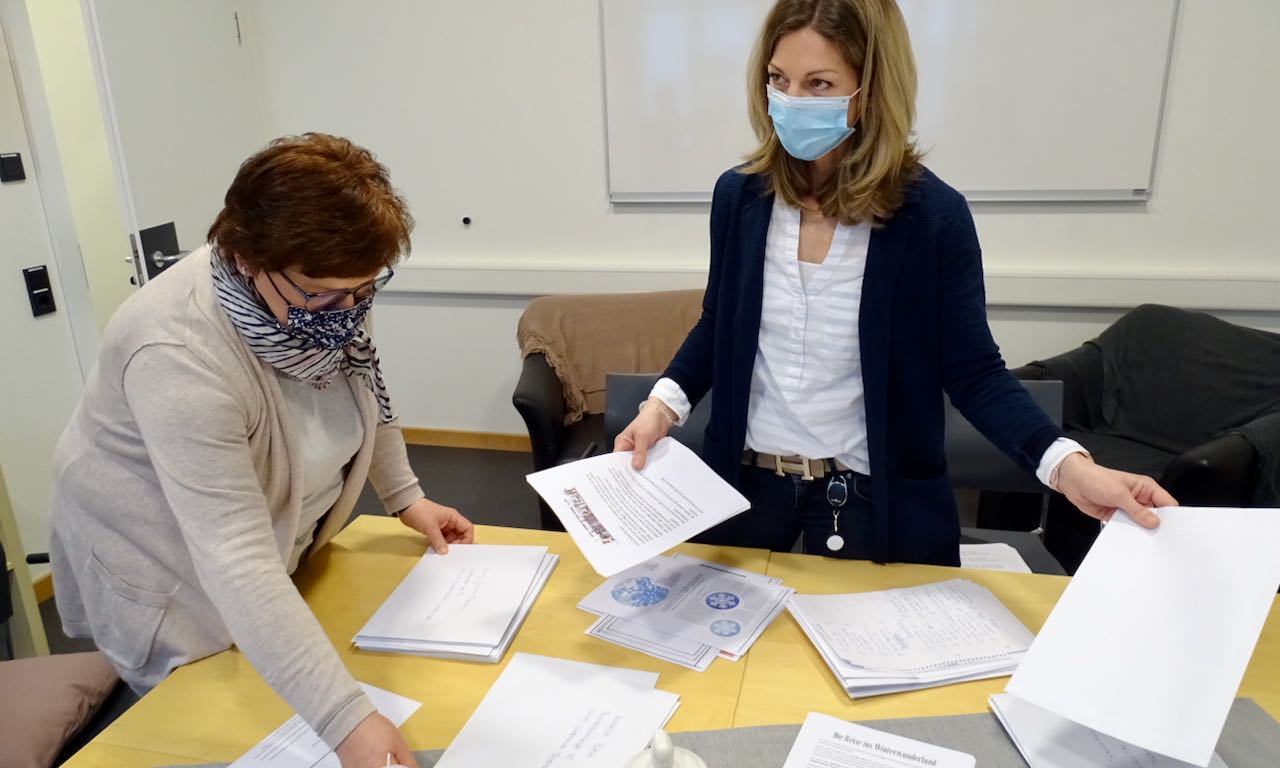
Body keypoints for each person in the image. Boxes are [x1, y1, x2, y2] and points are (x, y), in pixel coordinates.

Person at [615, 0, 1175, 565]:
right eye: (778, 80)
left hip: (867, 494)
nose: (790, 102)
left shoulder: (933, 217)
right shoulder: (740, 198)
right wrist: (660, 409)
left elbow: (974, 372)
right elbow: (719, 323)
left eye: (819, 83)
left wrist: (1071, 469)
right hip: (746, 485)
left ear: (871, 90)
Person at [48, 134, 473, 767]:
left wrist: (406, 497)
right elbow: (235, 557)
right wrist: (343, 719)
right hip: (168, 571)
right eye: (327, 294)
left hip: (263, 551)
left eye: (363, 291)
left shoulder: (329, 293)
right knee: (213, 734)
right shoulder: (176, 354)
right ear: (247, 258)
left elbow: (369, 392)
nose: (348, 311)